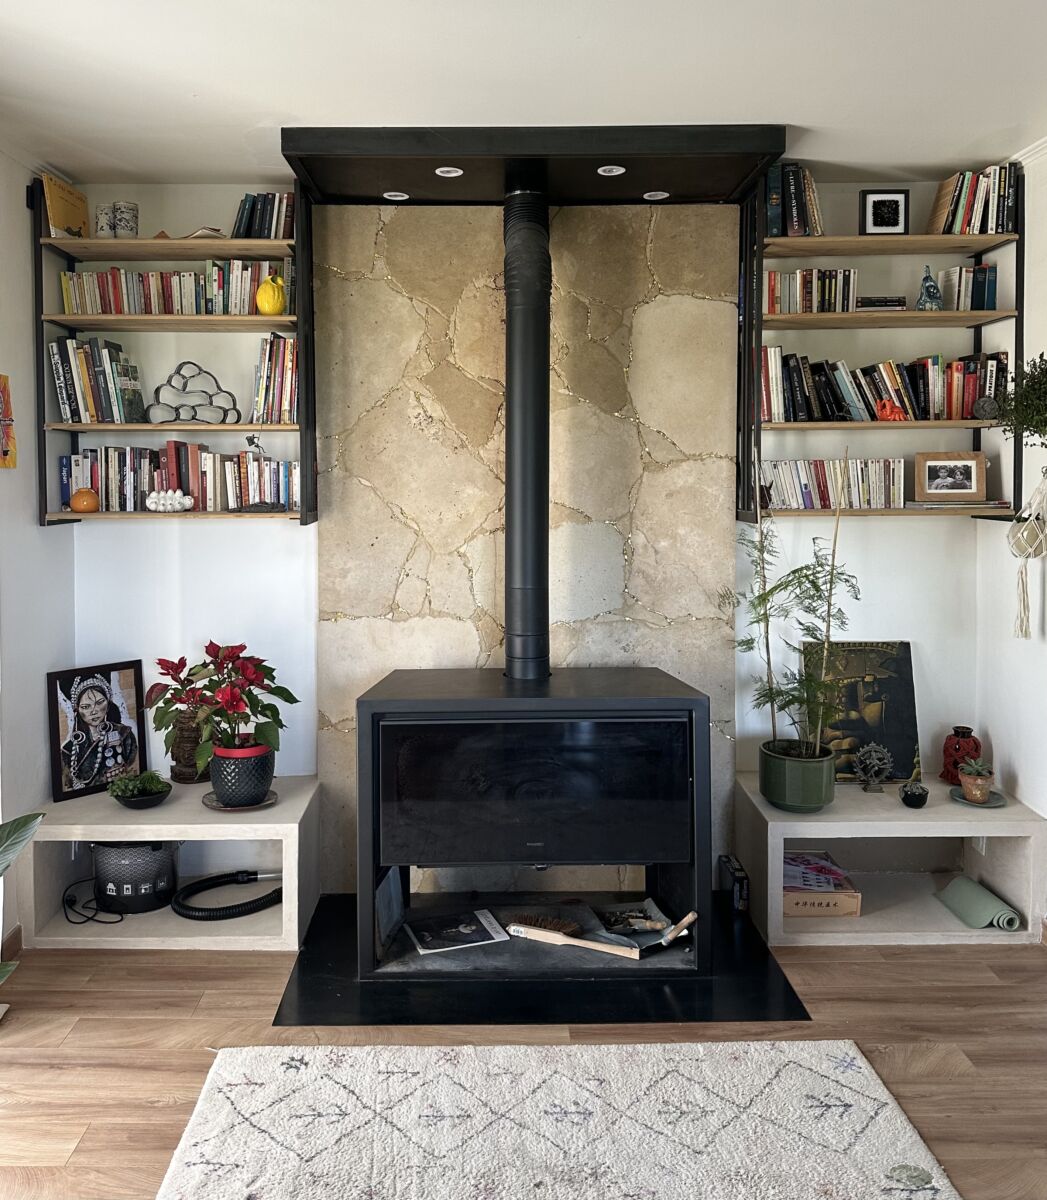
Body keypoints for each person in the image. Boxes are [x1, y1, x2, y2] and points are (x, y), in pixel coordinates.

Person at [60, 673, 138, 792]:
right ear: (77, 709)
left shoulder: (124, 734)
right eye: (86, 707)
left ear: (108, 703)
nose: (94, 711)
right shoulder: (68, 750)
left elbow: (132, 765)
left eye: (100, 702)